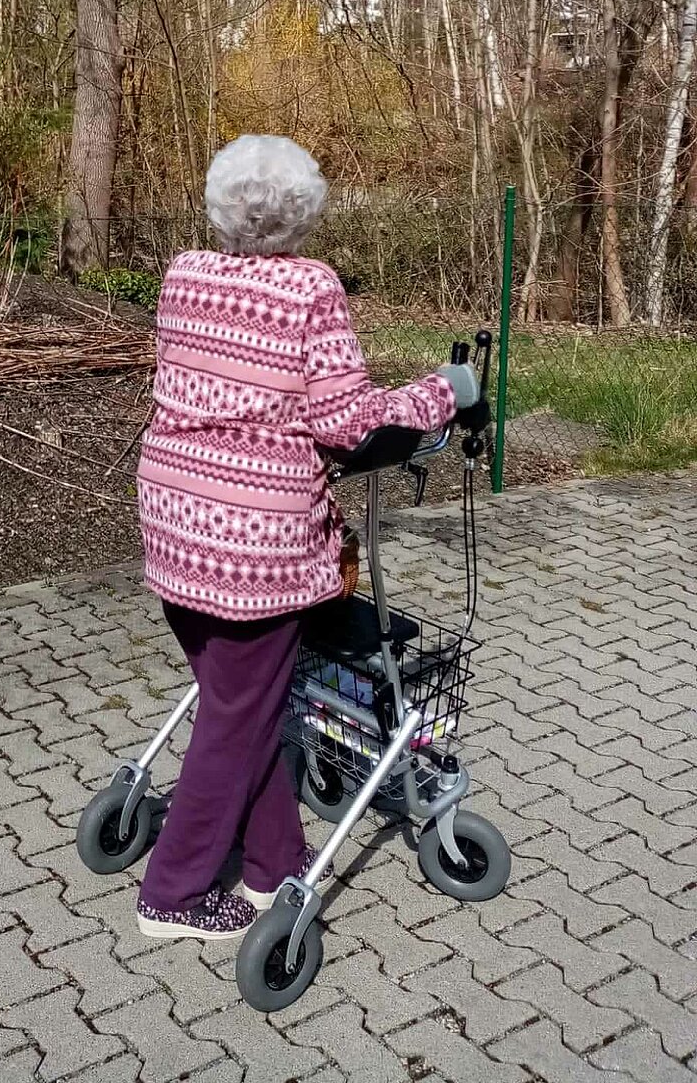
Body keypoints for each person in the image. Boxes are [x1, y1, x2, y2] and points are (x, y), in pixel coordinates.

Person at [134, 134, 482, 942]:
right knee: (235, 722)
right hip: (254, 544)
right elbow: (346, 420)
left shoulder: (184, 273)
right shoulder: (309, 287)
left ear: (223, 204)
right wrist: (444, 390)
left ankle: (270, 868)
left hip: (173, 520)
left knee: (242, 708)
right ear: (304, 213)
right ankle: (173, 895)